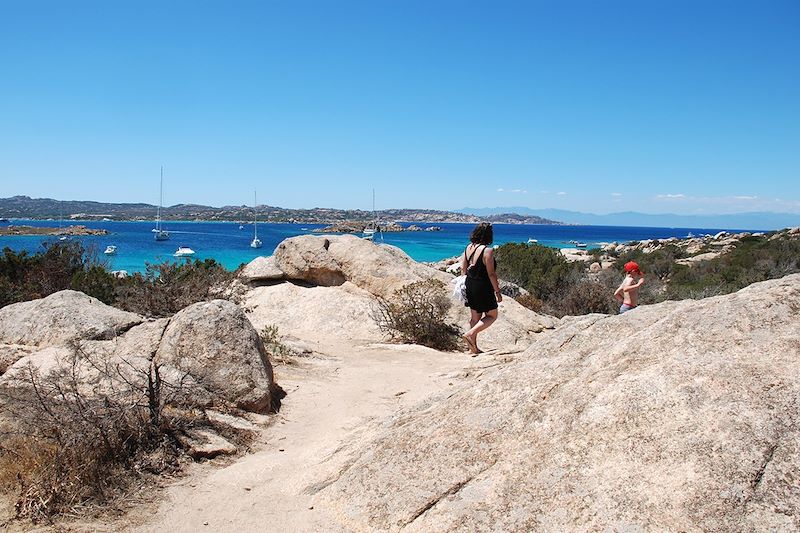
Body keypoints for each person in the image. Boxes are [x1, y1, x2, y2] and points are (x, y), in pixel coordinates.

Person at [460, 222, 502, 354]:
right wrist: (497, 291)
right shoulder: (487, 250)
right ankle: (470, 333)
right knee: (492, 315)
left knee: (475, 317)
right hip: (483, 286)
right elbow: (491, 273)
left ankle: (473, 348)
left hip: (470, 283)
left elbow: (463, 268)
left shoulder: (468, 248)